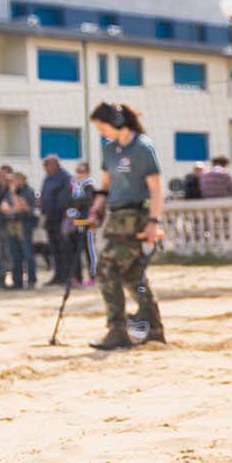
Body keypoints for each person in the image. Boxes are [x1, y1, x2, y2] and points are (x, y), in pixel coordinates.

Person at [86, 102, 165, 348]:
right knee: (132, 274)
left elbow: (156, 189)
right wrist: (96, 209)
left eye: (103, 127)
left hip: (136, 216)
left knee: (106, 269)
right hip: (116, 216)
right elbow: (105, 185)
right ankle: (153, 328)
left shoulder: (143, 147)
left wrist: (153, 221)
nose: (101, 133)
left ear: (117, 122)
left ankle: (117, 330)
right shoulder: (109, 150)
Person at [0, 171, 35, 290]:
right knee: (14, 254)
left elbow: (21, 206)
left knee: (27, 253)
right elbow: (2, 207)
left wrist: (13, 198)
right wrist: (14, 208)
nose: (10, 183)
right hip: (11, 225)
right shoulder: (9, 192)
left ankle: (31, 280)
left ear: (20, 180)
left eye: (12, 180)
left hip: (23, 225)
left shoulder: (28, 191)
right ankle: (17, 282)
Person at [40, 155, 74, 287]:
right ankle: (58, 275)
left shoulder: (65, 177)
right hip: (50, 218)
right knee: (54, 248)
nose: (45, 168)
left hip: (61, 217)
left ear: (55, 164)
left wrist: (57, 208)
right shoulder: (48, 178)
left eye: (47, 165)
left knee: (63, 248)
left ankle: (67, 276)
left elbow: (65, 198)